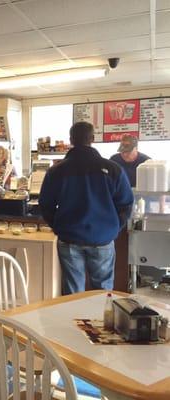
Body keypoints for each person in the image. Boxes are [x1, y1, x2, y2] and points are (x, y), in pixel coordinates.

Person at [39, 122, 134, 295]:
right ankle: (102, 321)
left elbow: (45, 205)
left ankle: (73, 322)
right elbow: (126, 204)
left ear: (71, 140)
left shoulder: (56, 171)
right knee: (102, 292)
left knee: (73, 292)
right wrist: (112, 227)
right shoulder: (113, 169)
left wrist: (59, 226)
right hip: (103, 238)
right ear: (92, 139)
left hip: (69, 238)